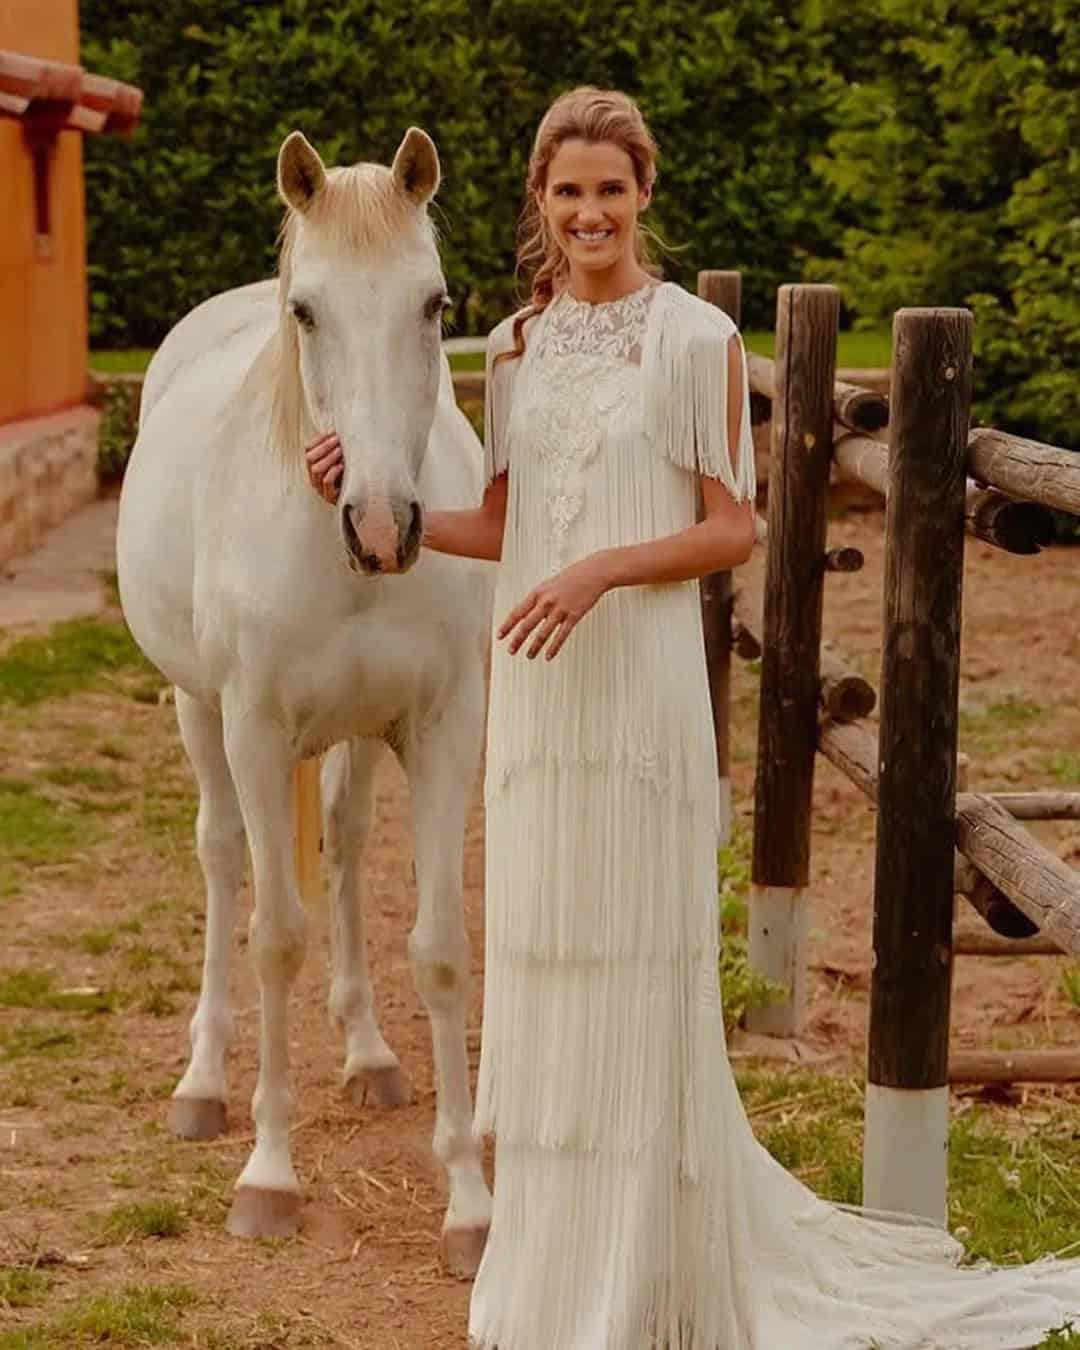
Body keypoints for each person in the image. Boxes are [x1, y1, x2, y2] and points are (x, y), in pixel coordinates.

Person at [307, 87, 1080, 1350]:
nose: (590, 212)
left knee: (639, 957)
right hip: (543, 694)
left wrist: (600, 569)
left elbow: (737, 526)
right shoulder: (512, 346)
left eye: (611, 190)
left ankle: (649, 1272)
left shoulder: (691, 340)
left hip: (640, 689)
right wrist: (370, 512)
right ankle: (556, 1268)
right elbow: (499, 528)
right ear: (540, 204)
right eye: (568, 192)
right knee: (550, 956)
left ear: (644, 194)